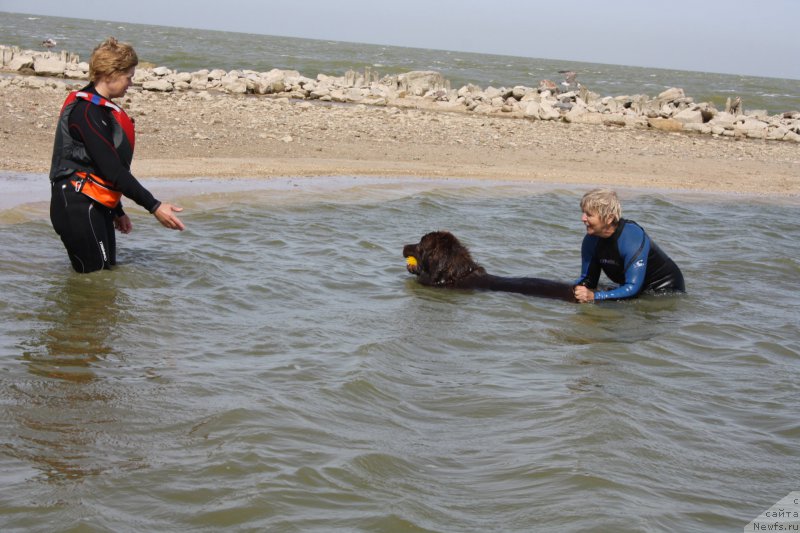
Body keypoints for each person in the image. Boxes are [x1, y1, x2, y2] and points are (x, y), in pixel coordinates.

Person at [49, 37, 185, 273]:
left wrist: (117, 210)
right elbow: (112, 169)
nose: (130, 83)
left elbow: (99, 169)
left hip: (96, 203)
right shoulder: (86, 111)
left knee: (104, 278)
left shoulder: (102, 110)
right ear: (111, 73)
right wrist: (154, 206)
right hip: (77, 205)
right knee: (93, 280)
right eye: (129, 76)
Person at [573, 189, 684, 303]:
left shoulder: (632, 238)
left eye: (589, 215)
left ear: (609, 218)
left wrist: (595, 296)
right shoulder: (591, 240)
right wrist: (570, 290)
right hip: (634, 288)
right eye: (583, 213)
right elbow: (588, 280)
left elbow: (632, 288)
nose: (583, 218)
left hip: (665, 289)